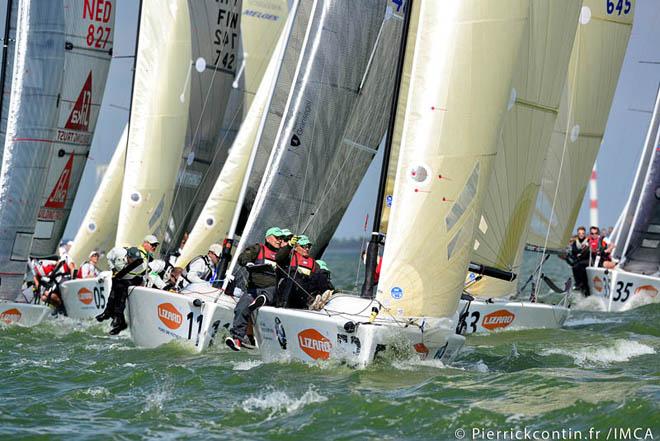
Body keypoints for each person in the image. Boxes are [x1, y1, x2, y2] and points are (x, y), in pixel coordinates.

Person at [226, 227, 287, 351]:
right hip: (254, 289)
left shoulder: (282, 254)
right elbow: (243, 257)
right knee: (241, 306)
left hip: (272, 288)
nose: (279, 240)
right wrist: (247, 262)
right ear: (268, 238)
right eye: (277, 238)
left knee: (272, 290)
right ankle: (237, 338)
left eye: (281, 238)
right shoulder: (258, 248)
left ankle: (263, 299)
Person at [97, 235, 157, 335]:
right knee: (117, 287)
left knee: (120, 288)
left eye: (156, 246)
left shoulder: (145, 261)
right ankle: (113, 316)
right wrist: (113, 269)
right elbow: (109, 256)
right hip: (122, 276)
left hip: (133, 279)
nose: (154, 247)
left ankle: (115, 316)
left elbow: (149, 273)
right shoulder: (120, 252)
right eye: (153, 245)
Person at [275, 235, 320, 309]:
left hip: (304, 294)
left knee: (321, 276)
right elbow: (278, 257)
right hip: (289, 292)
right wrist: (289, 245)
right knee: (296, 278)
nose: (307, 249)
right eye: (304, 246)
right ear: (296, 247)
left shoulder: (313, 263)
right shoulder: (290, 256)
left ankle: (322, 299)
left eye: (309, 246)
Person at [567, 227, 590, 294]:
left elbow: (587, 251)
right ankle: (578, 283)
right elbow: (574, 251)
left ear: (585, 233)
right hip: (578, 261)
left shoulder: (588, 241)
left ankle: (582, 284)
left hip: (586, 260)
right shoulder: (575, 242)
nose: (581, 234)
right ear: (577, 234)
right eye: (579, 233)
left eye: (583, 233)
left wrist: (581, 252)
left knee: (579, 266)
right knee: (574, 266)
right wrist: (579, 252)